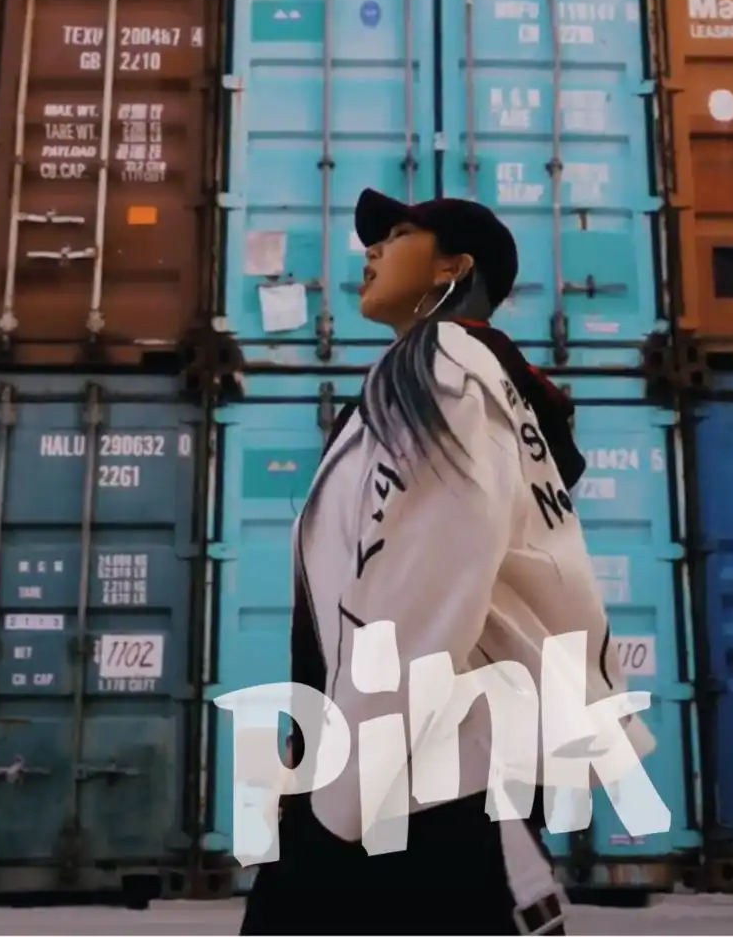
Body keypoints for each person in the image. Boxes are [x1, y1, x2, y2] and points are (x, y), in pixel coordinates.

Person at [238, 188, 656, 936]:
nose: (370, 250)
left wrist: (349, 770)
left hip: (409, 769)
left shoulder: (440, 365)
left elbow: (424, 575)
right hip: (438, 758)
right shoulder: (484, 379)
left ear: (451, 268)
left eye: (398, 235)